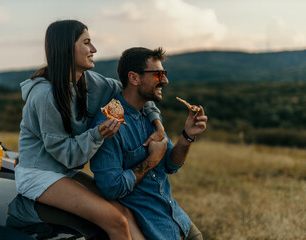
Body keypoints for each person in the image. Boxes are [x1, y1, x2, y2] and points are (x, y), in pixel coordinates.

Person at [16, 20, 165, 240]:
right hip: (38, 174)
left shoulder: (91, 82)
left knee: (125, 212)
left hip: (62, 172)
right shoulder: (45, 95)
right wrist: (97, 135)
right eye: (87, 43)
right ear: (67, 48)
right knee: (116, 221)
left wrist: (156, 122)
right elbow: (67, 155)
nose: (94, 49)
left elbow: (133, 93)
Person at [90, 47, 208, 240]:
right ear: (134, 78)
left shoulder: (150, 116)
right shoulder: (108, 123)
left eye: (164, 74)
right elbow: (111, 188)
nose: (165, 80)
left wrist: (187, 136)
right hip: (151, 229)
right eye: (158, 74)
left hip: (178, 220)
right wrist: (152, 159)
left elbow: (170, 164)